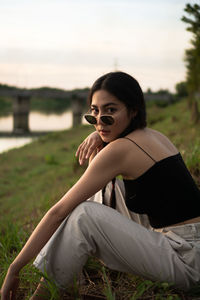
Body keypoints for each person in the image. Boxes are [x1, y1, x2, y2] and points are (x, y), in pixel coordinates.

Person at [1, 71, 200, 299]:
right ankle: (72, 264)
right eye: (94, 112)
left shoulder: (120, 150)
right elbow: (97, 183)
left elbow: (58, 212)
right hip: (188, 242)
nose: (99, 121)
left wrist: (14, 269)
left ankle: (44, 294)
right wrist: (103, 135)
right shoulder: (154, 136)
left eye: (110, 111)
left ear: (133, 110)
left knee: (84, 215)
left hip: (188, 261)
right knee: (103, 191)